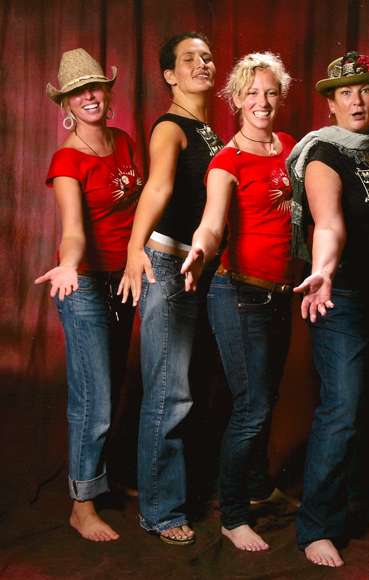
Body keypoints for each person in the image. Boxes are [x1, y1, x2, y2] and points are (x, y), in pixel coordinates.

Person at [288, 51, 369, 567]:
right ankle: (317, 525)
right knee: (341, 409)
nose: (358, 99)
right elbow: (328, 223)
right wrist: (324, 268)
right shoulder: (323, 155)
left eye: (366, 89)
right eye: (346, 92)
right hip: (341, 298)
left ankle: (359, 493)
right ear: (331, 103)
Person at [181, 52, 300, 552]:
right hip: (237, 293)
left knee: (264, 400)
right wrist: (200, 251)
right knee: (250, 406)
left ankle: (255, 489)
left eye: (270, 92)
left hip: (280, 294)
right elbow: (212, 222)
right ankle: (233, 516)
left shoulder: (291, 146)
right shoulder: (226, 160)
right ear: (235, 99)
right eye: (252, 93)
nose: (262, 102)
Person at [117, 32, 223, 545]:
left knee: (190, 387)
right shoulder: (171, 126)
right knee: (169, 389)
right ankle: (160, 511)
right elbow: (156, 187)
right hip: (166, 261)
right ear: (169, 75)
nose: (202, 64)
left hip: (198, 268)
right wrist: (135, 249)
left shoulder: (208, 130)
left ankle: (171, 491)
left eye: (206, 57)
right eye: (189, 59)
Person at [35, 49, 143, 541]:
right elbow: (74, 231)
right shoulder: (67, 159)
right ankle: (82, 504)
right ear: (68, 104)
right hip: (82, 284)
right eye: (80, 92)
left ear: (108, 92)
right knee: (93, 397)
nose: (90, 96)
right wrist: (67, 263)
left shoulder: (123, 141)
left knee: (112, 387)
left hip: (124, 280)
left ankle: (102, 479)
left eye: (96, 87)